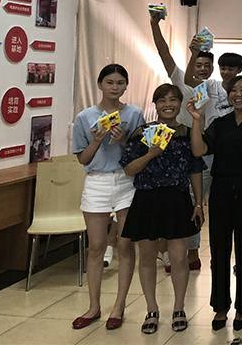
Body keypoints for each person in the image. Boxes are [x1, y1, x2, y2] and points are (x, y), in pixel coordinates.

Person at [120, 85, 205, 334]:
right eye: (162, 100)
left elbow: (195, 170)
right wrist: (152, 153)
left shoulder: (187, 133)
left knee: (178, 258)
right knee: (147, 258)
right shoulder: (141, 133)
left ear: (180, 104)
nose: (168, 104)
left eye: (173, 100)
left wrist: (198, 203)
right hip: (146, 199)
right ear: (155, 104)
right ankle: (151, 309)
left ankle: (179, 308)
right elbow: (129, 169)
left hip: (177, 200)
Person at [188, 75, 242, 331]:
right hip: (221, 191)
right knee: (219, 251)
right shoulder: (220, 123)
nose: (238, 95)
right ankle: (220, 306)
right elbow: (199, 151)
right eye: (234, 90)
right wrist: (196, 120)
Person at [71, 64, 144, 330]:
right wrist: (96, 141)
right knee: (96, 246)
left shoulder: (134, 114)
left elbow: (140, 153)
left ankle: (119, 306)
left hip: (126, 181)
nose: (115, 87)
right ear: (100, 84)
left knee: (125, 245)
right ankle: (94, 306)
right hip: (97, 182)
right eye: (110, 82)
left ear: (126, 85)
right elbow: (83, 159)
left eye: (120, 82)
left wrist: (124, 140)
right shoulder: (85, 117)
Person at [150, 9, 214, 270]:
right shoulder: (179, 83)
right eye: (198, 64)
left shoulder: (216, 90)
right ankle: (174, 250)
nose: (202, 69)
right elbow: (164, 53)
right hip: (178, 148)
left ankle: (192, 252)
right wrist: (154, 24)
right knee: (178, 201)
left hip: (206, 152)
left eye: (207, 66)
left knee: (199, 202)